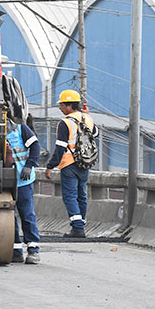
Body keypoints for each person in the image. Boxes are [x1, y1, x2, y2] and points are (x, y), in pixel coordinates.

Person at [45, 89, 96, 238]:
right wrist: (86, 115)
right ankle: (81, 225)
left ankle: (77, 227)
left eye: (61, 105)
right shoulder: (88, 119)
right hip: (85, 162)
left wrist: (50, 166)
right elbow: (96, 134)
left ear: (69, 106)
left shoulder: (65, 123)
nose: (60, 108)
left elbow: (60, 147)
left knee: (70, 195)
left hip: (69, 163)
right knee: (82, 195)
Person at [8, 114, 41, 264]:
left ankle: (33, 249)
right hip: (5, 182)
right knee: (9, 218)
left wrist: (29, 165)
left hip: (23, 181)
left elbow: (35, 146)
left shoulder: (20, 128)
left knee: (27, 214)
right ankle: (16, 251)